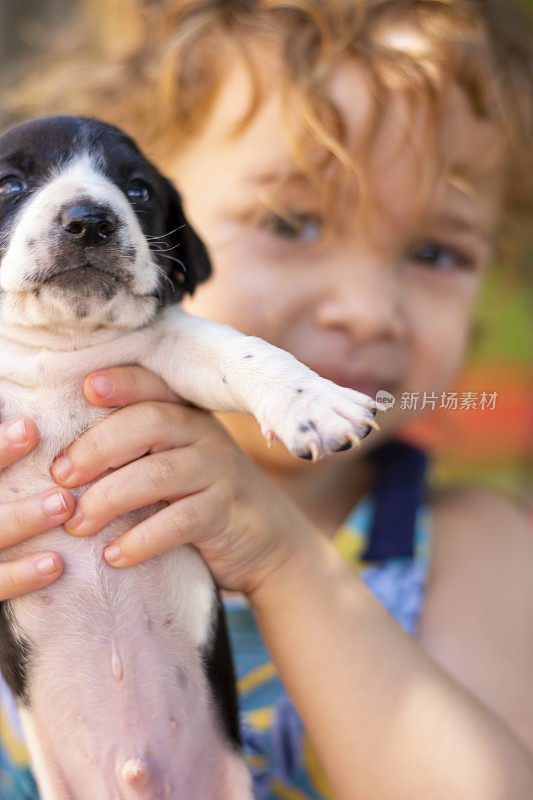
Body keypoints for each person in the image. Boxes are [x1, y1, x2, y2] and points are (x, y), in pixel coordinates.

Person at [1, 1, 533, 798]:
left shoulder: (469, 548)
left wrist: (282, 560)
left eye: (435, 250)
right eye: (290, 220)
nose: (362, 307)